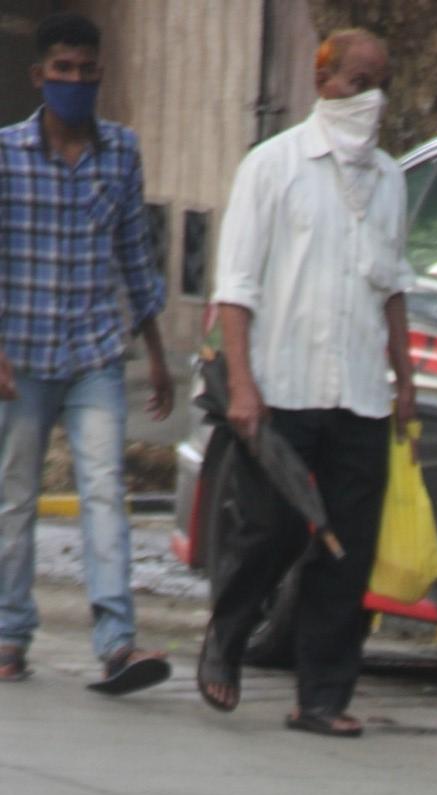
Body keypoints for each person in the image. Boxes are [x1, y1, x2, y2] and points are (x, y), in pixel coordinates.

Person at [201, 27, 415, 738]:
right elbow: (234, 289)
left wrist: (404, 380)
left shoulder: (390, 180)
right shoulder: (272, 166)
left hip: (359, 392)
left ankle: (322, 695)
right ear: (324, 83)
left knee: (346, 550)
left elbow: (394, 289)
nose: (371, 98)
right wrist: (242, 385)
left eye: (380, 83)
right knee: (272, 530)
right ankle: (226, 638)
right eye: (358, 81)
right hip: (280, 386)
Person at [0, 10, 175, 693]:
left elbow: (136, 255)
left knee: (104, 490)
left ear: (101, 73)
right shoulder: (7, 156)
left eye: (85, 70)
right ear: (38, 75)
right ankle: (10, 634)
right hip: (21, 356)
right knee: (15, 498)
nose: (74, 81)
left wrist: (157, 352)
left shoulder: (121, 152)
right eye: (61, 70)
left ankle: (116, 642)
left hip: (96, 353)